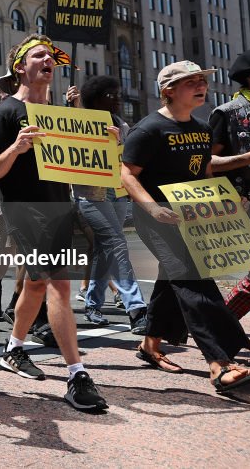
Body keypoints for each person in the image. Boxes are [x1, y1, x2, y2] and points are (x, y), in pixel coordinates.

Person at [0, 34, 108, 411]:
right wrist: (16, 148)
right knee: (59, 287)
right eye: (39, 55)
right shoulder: (4, 113)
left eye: (51, 56)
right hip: (24, 210)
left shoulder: (63, 117)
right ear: (21, 66)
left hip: (59, 208)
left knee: (35, 286)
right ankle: (76, 374)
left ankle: (13, 348)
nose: (48, 60)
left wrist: (105, 149)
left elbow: (87, 176)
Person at [122, 60, 250, 392]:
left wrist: (242, 164)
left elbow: (204, 167)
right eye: (191, 82)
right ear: (168, 91)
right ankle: (219, 363)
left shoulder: (200, 127)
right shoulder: (148, 129)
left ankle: (150, 345)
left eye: (202, 81)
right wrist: (152, 209)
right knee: (194, 280)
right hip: (156, 218)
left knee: (172, 280)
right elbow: (127, 174)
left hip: (191, 216)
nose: (201, 86)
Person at [68, 77, 147, 333]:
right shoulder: (80, 121)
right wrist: (72, 106)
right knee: (116, 242)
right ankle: (136, 308)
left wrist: (119, 143)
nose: (119, 99)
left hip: (117, 193)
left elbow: (129, 159)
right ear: (97, 99)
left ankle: (92, 303)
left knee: (105, 247)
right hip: (90, 195)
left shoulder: (120, 124)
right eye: (112, 95)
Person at [209, 50, 250, 320]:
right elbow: (208, 162)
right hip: (243, 201)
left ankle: (217, 327)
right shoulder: (227, 113)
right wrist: (246, 158)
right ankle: (218, 326)